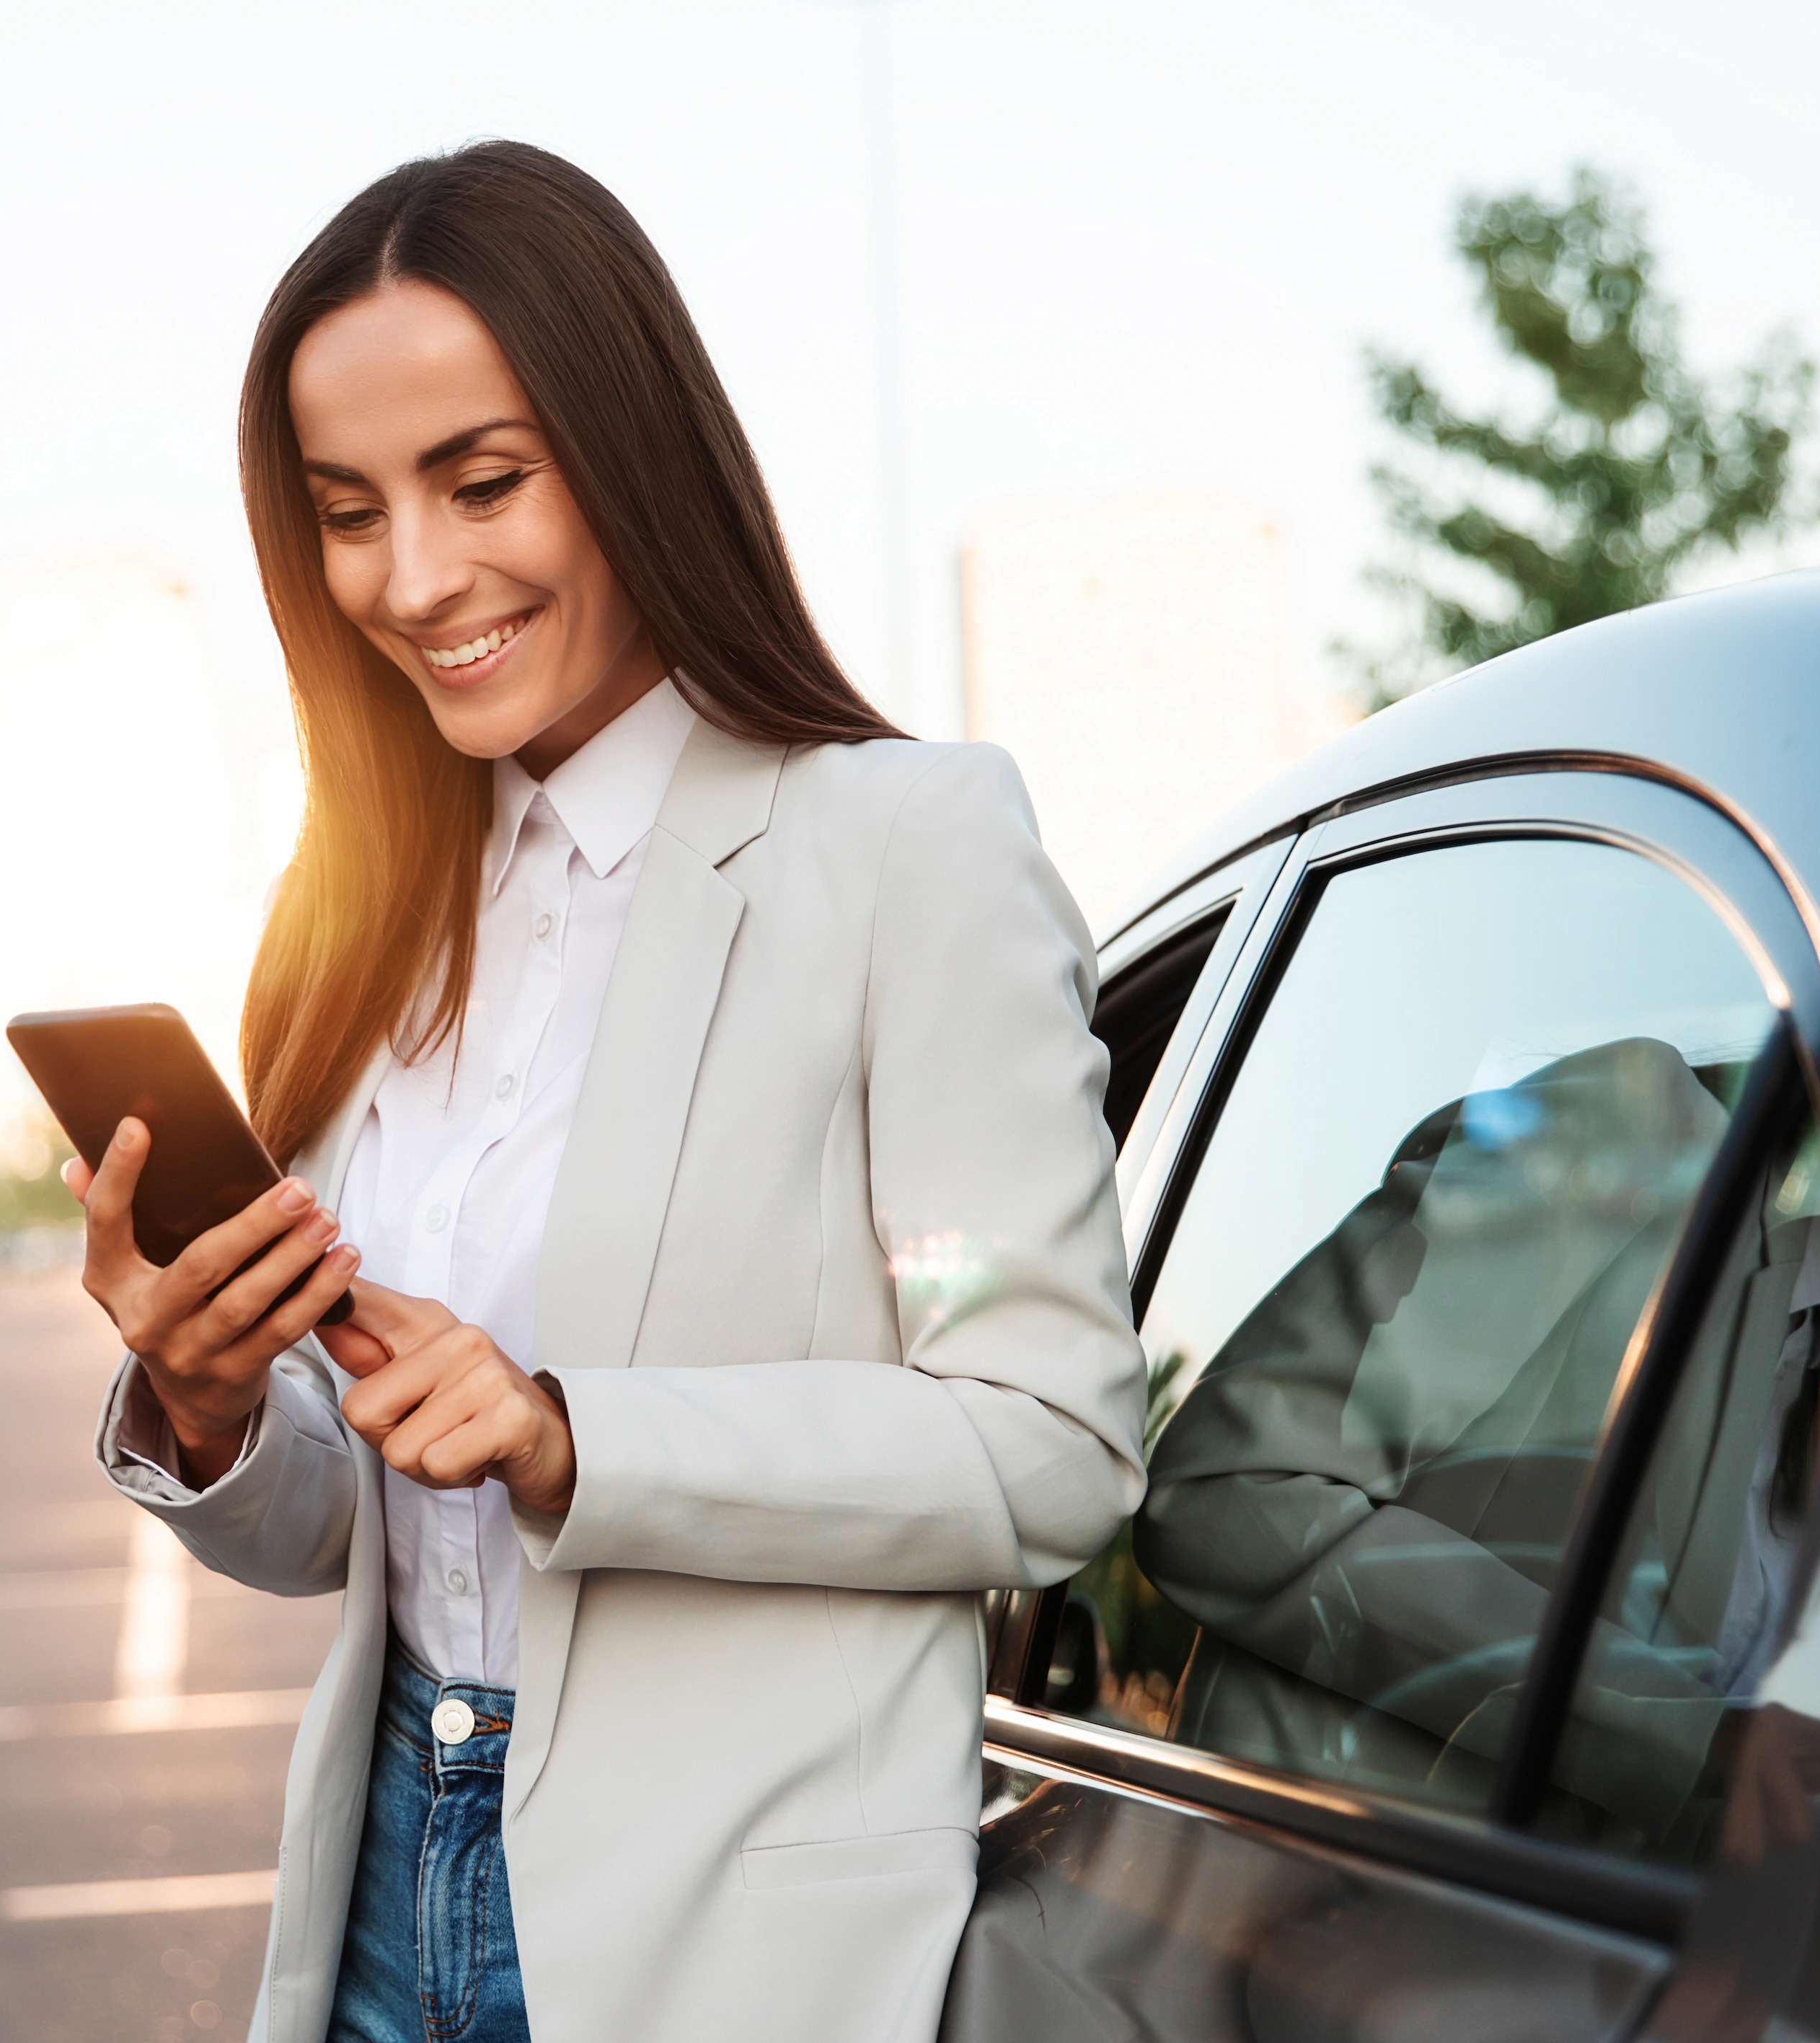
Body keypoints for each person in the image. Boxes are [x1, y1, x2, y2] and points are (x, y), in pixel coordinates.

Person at [63, 141, 1143, 2043]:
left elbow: (1042, 1440)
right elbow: (353, 1526)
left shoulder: (902, 852)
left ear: (632, 448)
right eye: (347, 510)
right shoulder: (362, 928)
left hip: (737, 1941)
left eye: (482, 482)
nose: (415, 577)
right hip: (390, 1887)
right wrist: (215, 1404)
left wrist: (577, 1436)